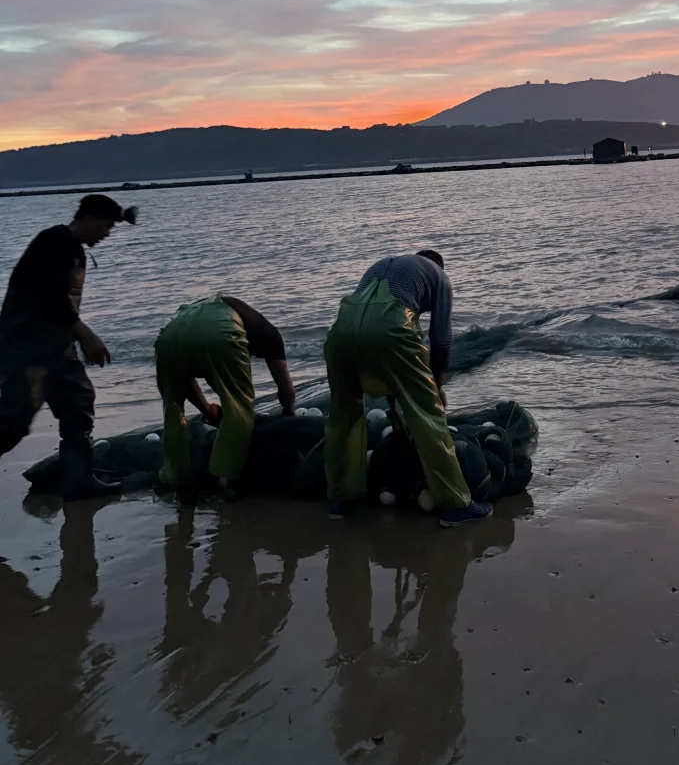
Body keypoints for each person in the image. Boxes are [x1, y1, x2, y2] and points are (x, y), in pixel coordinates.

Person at [322, 249, 491, 527]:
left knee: (344, 415)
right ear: (439, 266)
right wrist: (436, 385)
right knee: (427, 415)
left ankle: (341, 500)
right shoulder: (440, 277)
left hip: (342, 328)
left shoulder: (386, 264)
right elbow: (441, 337)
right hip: (389, 327)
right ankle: (454, 505)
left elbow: (368, 334)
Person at [0, 194, 137, 500]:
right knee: (13, 422)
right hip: (27, 348)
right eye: (107, 225)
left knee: (78, 406)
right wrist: (85, 333)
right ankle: (79, 480)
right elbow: (48, 296)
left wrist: (74, 338)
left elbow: (60, 302)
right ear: (91, 217)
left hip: (57, 349)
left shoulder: (73, 250)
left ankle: (80, 482)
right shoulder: (53, 242)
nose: (107, 234)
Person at [154, 295, 296, 496]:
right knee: (238, 406)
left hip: (170, 335)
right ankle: (224, 479)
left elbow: (184, 381)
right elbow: (287, 389)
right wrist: (290, 414)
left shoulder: (222, 308)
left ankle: (177, 479)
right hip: (219, 333)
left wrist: (206, 409)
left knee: (173, 408)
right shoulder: (271, 335)